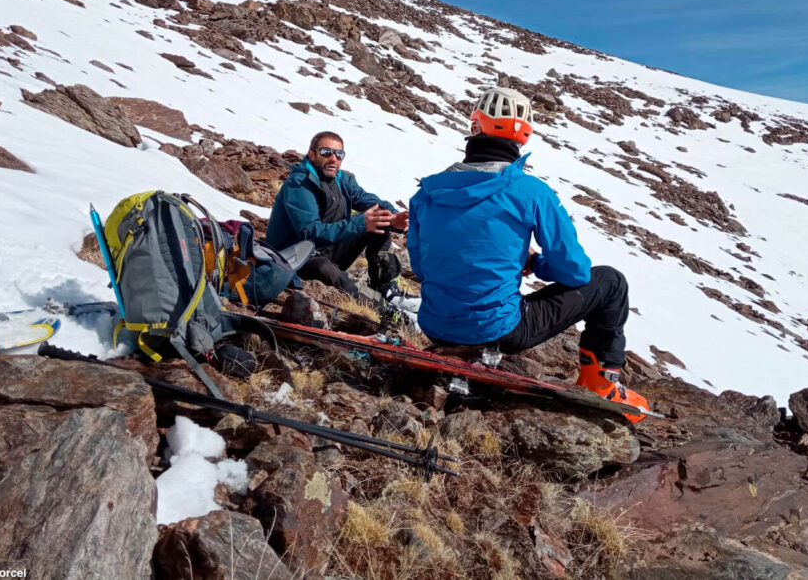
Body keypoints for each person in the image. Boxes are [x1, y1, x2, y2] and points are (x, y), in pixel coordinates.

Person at [407, 87, 649, 421]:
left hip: (434, 323)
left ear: (475, 125)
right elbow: (576, 271)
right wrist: (535, 263)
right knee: (610, 282)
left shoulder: (427, 192)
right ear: (524, 135)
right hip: (499, 329)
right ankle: (602, 384)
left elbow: (421, 267)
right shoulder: (531, 191)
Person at [266, 130, 417, 314]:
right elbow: (309, 232)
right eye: (326, 152)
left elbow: (372, 202)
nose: (333, 159)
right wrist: (360, 223)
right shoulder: (299, 184)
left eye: (339, 154)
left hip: (326, 249)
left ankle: (387, 290)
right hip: (294, 259)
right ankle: (384, 309)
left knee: (379, 221)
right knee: (327, 269)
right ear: (312, 154)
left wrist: (394, 217)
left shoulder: (342, 180)